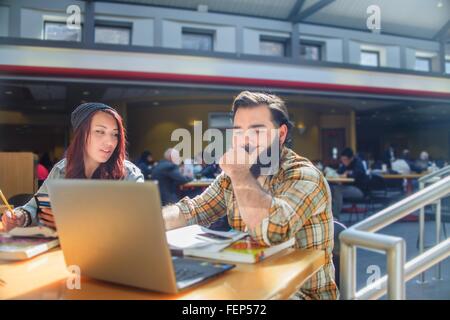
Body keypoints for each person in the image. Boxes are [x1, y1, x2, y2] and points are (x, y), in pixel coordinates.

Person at [162, 91, 338, 300]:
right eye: (238, 131)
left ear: (281, 134)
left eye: (256, 131)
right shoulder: (235, 176)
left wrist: (239, 173)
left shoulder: (304, 176)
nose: (244, 140)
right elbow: (194, 210)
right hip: (250, 283)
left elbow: (274, 231)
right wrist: (146, 224)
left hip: (300, 293)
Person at [2, 102, 144, 232]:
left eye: (115, 134)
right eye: (100, 132)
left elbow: (138, 223)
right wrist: (20, 217)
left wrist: (74, 223)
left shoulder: (129, 175)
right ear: (81, 136)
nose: (110, 142)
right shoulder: (62, 170)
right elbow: (36, 208)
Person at [332, 148, 369, 218]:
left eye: (345, 160)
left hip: (360, 190)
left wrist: (347, 174)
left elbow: (356, 175)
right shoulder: (344, 164)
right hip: (349, 187)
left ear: (351, 158)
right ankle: (329, 214)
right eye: (342, 160)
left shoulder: (358, 163)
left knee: (338, 190)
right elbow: (339, 173)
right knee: (331, 189)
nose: (343, 162)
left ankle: (335, 216)